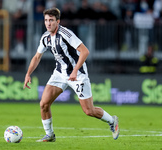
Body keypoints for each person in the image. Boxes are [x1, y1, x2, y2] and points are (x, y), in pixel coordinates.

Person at [23, 8, 120, 142]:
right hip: (59, 73)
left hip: (77, 74)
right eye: (46, 20)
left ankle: (112, 121)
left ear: (58, 21)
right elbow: (37, 56)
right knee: (44, 104)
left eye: (51, 20)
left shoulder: (66, 34)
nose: (48, 23)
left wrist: (75, 71)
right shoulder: (45, 37)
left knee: (89, 111)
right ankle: (50, 135)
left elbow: (85, 51)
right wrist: (28, 74)